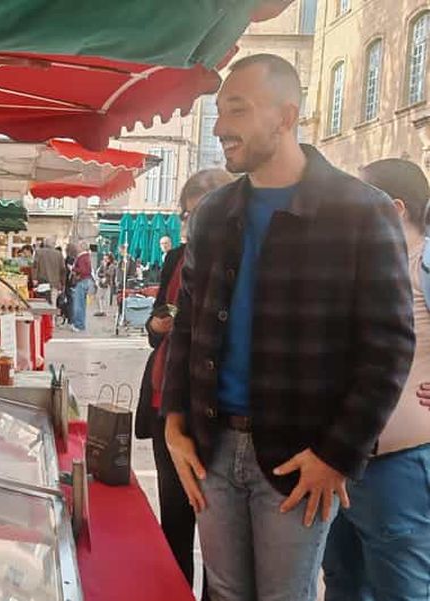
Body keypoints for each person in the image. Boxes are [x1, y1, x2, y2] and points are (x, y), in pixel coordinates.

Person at [162, 54, 414, 601]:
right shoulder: (214, 214)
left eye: (238, 110)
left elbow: (388, 348)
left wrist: (338, 455)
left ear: (286, 116)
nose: (220, 127)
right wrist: (174, 420)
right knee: (224, 594)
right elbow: (188, 328)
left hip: (301, 456)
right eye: (219, 111)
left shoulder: (360, 212)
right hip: (211, 445)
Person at [322, 159, 430, 601]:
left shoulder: (422, 267)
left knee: (400, 588)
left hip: (399, 468)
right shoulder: (360, 267)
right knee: (342, 579)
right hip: (342, 464)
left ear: (394, 207)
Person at [135, 169, 232, 598]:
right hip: (164, 397)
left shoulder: (240, 261)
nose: (194, 222)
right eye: (189, 214)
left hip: (211, 408)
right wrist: (157, 325)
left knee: (215, 530)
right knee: (173, 517)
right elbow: (156, 324)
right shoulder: (176, 258)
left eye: (202, 212)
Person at [32, 236, 67, 308]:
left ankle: (43, 319)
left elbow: (35, 266)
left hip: (42, 282)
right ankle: (52, 318)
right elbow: (63, 270)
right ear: (53, 244)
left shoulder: (39, 252)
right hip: (55, 283)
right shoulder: (59, 254)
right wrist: (63, 283)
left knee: (41, 304)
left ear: (45, 244)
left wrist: (34, 278)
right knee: (53, 304)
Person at [69, 240, 93, 332]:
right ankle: (80, 324)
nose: (77, 248)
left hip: (82, 281)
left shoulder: (82, 257)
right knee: (82, 304)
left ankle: (78, 324)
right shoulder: (87, 256)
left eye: (78, 246)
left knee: (78, 304)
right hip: (85, 281)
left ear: (82, 247)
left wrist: (73, 268)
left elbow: (83, 270)